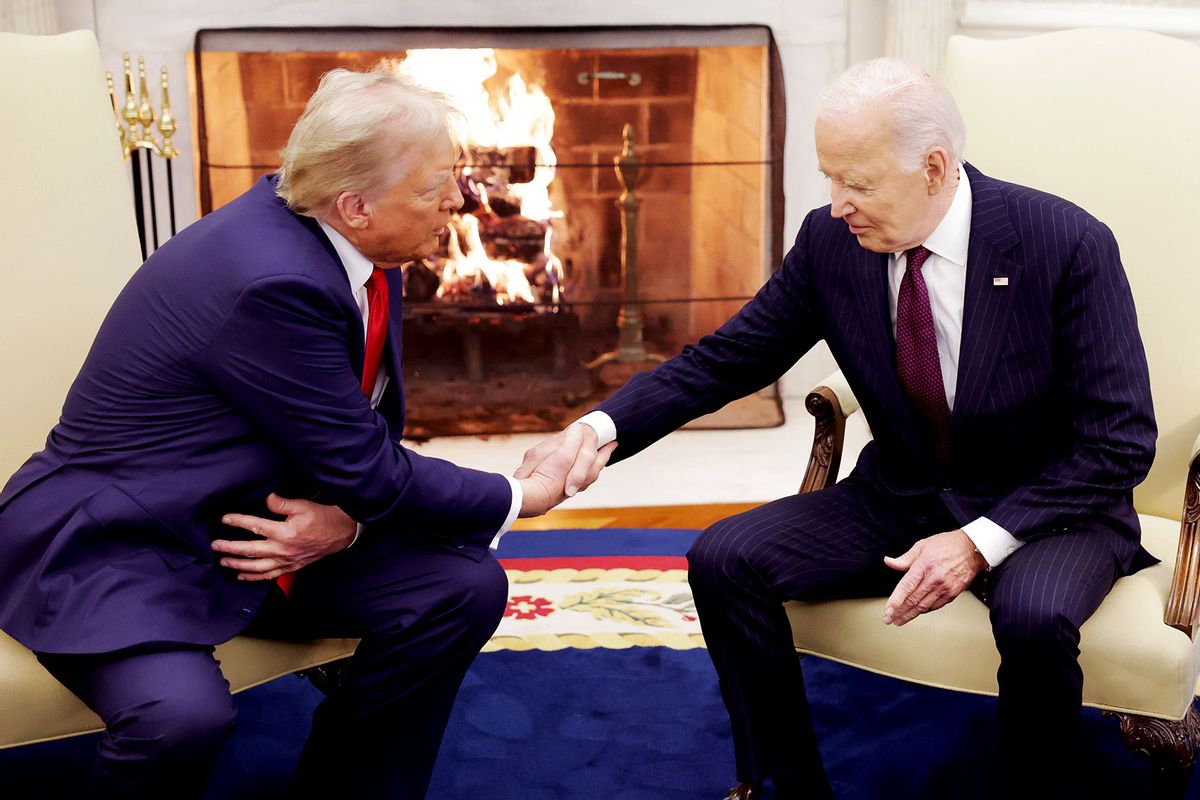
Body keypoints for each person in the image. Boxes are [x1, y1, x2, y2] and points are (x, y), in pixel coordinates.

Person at [519, 58, 1156, 798]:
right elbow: (728, 358)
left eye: (858, 182)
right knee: (725, 559)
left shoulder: (1063, 243)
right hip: (902, 492)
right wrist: (598, 429)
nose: (837, 203)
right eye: (830, 178)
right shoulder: (831, 243)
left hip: (1047, 508)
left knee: (1036, 617)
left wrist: (978, 543)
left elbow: (1119, 439)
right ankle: (786, 785)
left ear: (933, 168)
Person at [0, 66, 611, 799]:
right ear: (355, 204)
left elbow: (348, 448)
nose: (459, 199)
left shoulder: (338, 232)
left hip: (250, 519)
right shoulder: (272, 279)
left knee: (460, 586)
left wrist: (347, 523)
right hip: (129, 545)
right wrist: (523, 493)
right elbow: (370, 467)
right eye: (435, 186)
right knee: (180, 719)